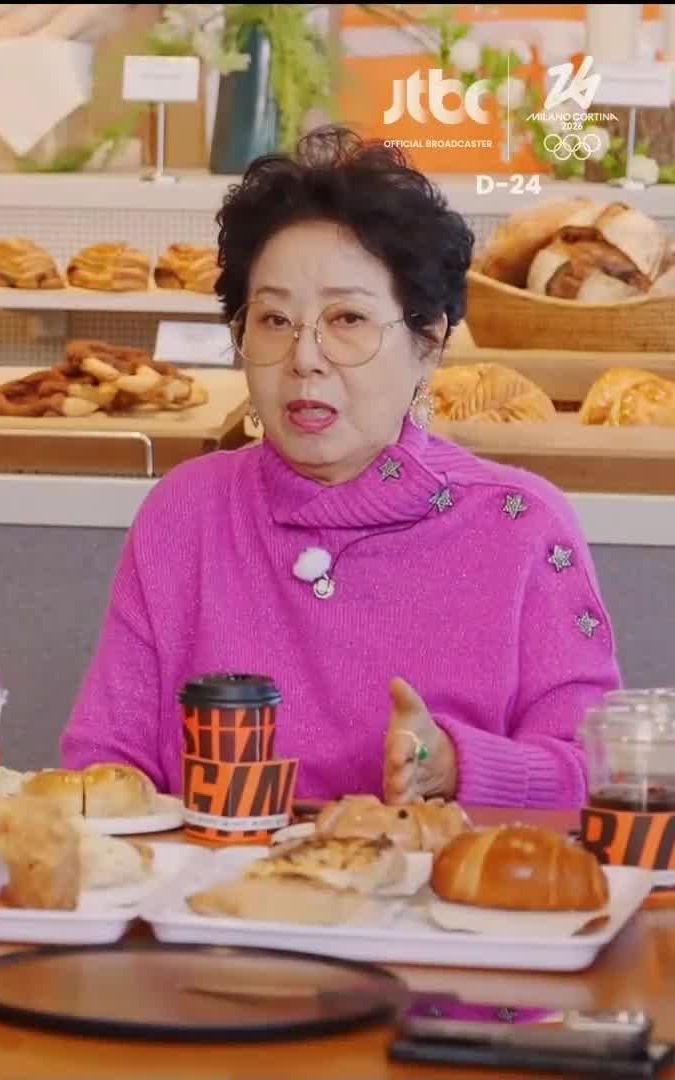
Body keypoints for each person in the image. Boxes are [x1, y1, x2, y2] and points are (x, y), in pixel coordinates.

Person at [61, 128, 620, 809]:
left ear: (429, 340)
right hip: (209, 879)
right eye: (274, 320)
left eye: (347, 318)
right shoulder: (186, 512)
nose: (305, 358)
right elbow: (104, 766)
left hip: (439, 881)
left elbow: (600, 775)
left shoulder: (523, 526)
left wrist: (455, 766)